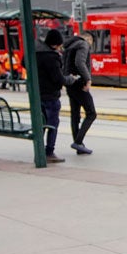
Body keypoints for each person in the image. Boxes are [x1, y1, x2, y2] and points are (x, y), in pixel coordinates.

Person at [36, 29, 72, 163]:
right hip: (50, 96)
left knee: (41, 123)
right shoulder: (51, 57)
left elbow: (23, 62)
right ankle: (49, 152)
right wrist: (70, 79)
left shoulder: (36, 53)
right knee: (53, 124)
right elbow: (59, 79)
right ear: (55, 44)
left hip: (37, 95)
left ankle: (39, 150)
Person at [63, 31, 97, 155]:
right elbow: (80, 62)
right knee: (91, 113)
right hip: (79, 83)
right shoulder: (83, 44)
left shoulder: (69, 46)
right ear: (89, 39)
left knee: (75, 115)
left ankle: (79, 146)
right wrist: (88, 79)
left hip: (70, 83)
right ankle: (78, 142)